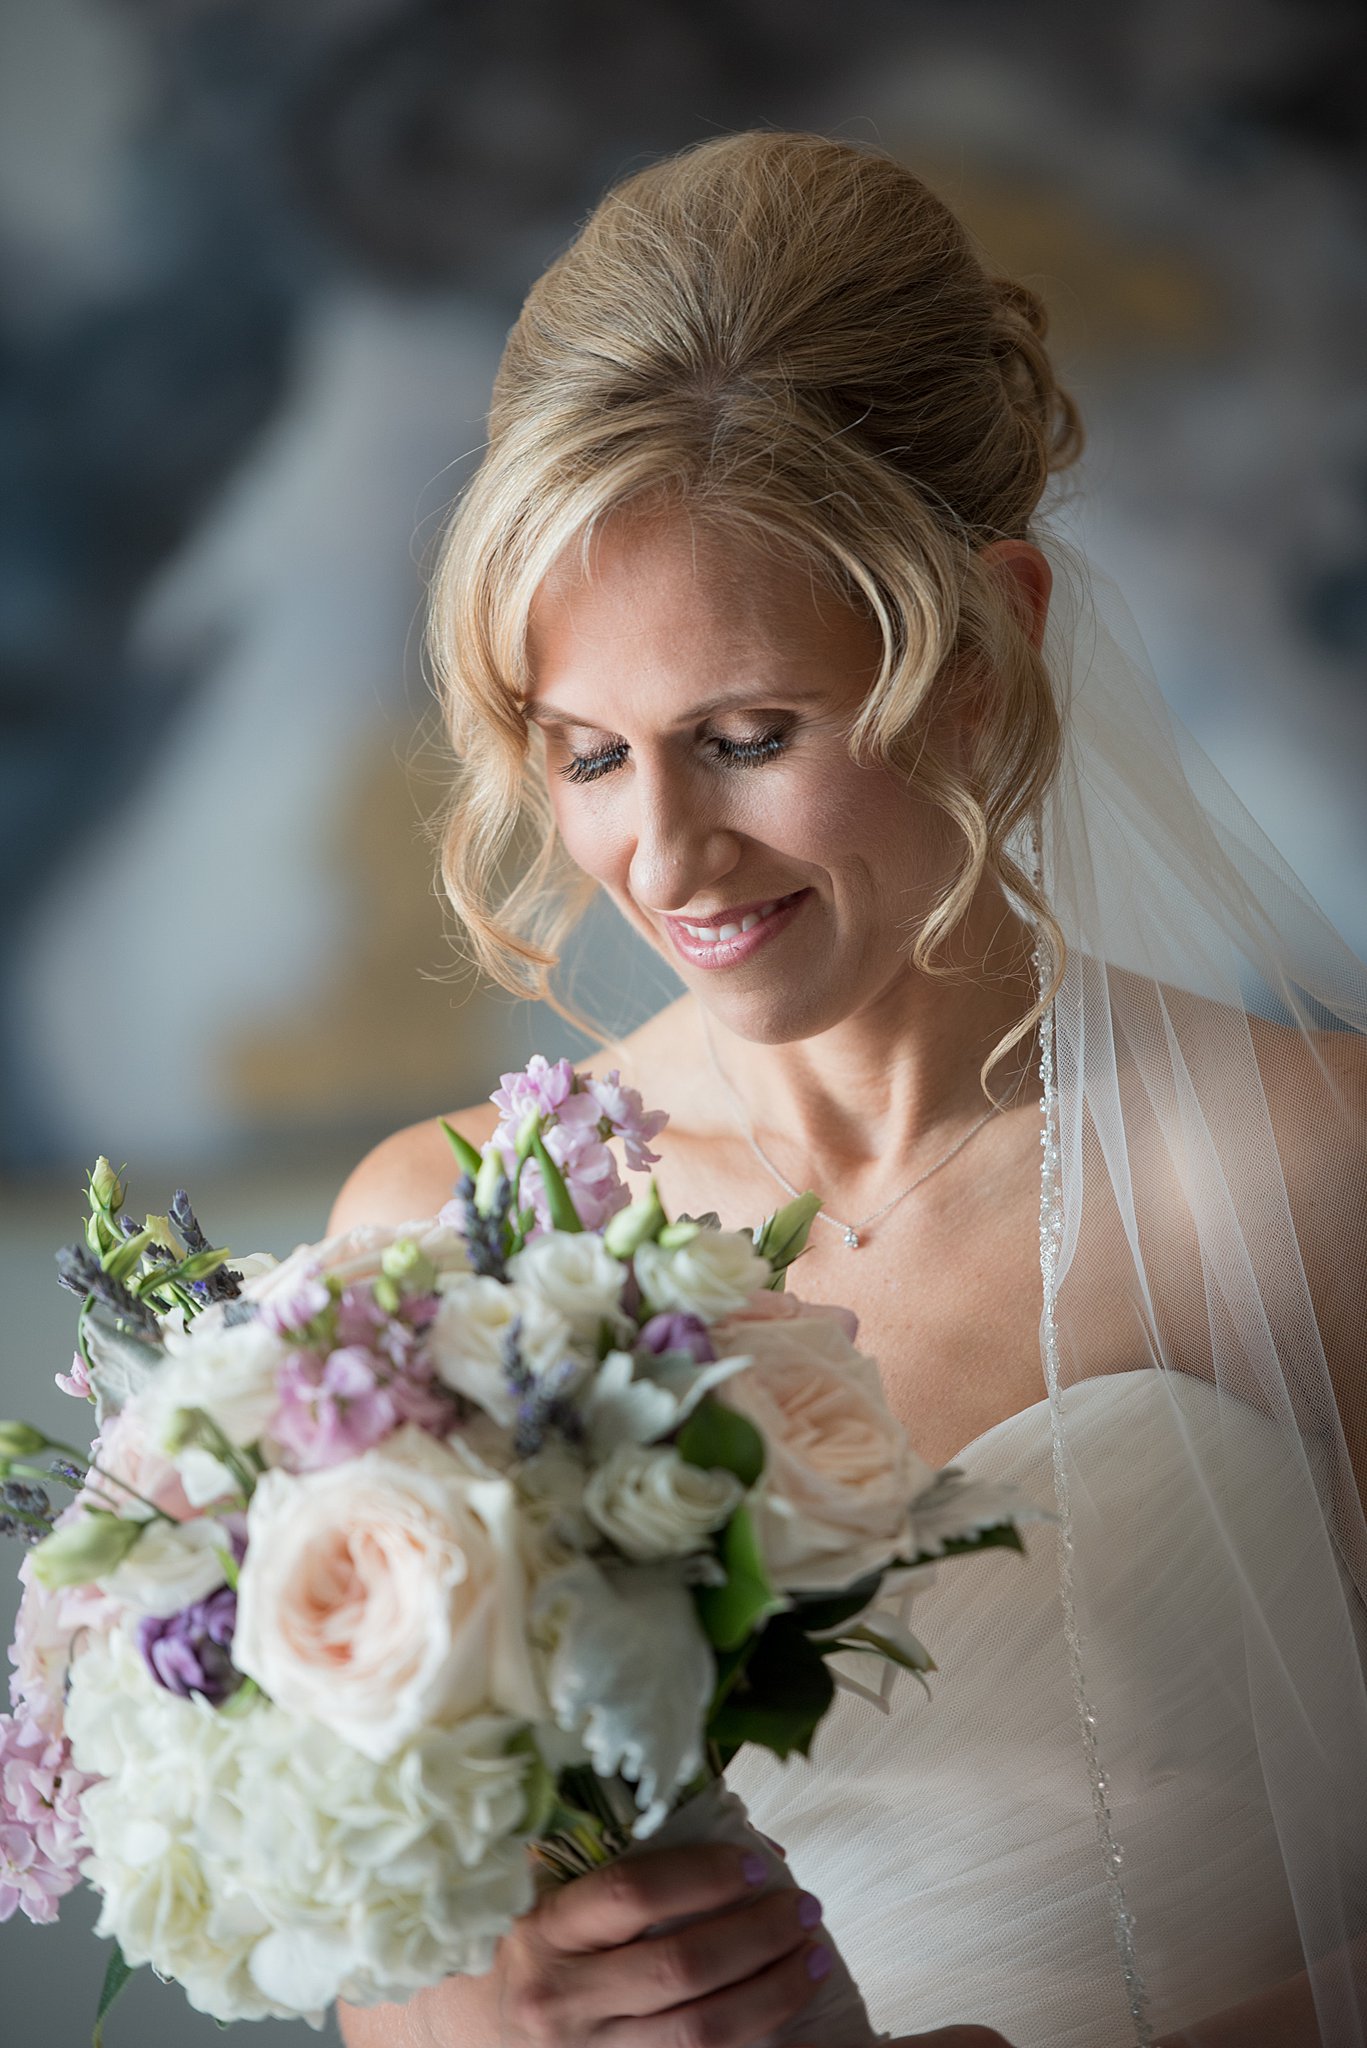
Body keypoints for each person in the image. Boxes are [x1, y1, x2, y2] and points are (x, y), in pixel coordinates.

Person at [330, 133, 1367, 2048]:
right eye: (582, 752)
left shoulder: (1317, 1173)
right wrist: (498, 2014)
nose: (662, 856)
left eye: (746, 736)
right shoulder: (438, 1243)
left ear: (988, 647)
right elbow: (392, 1989)